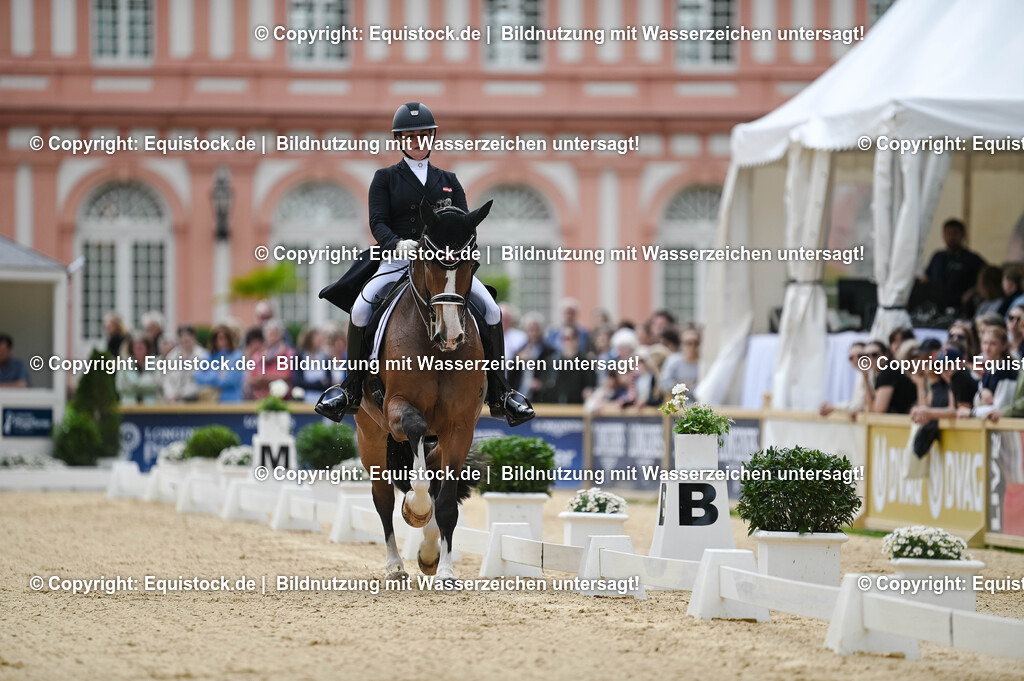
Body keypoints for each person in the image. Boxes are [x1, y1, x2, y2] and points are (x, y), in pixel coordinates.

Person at [315, 102, 533, 426]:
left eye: (423, 136)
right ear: (401, 141)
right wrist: (396, 243)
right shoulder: (385, 178)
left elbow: (463, 222)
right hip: (398, 260)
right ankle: (350, 387)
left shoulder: (448, 179)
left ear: (432, 138)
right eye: (410, 137)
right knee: (361, 309)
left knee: (492, 310)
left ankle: (501, 392)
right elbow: (377, 221)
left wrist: (457, 252)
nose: (417, 143)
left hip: (444, 266)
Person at [923, 218, 986, 312]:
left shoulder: (972, 258)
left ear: (963, 235)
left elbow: (988, 277)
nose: (951, 237)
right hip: (936, 308)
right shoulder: (937, 257)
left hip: (962, 308)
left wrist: (972, 292)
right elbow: (926, 277)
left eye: (955, 233)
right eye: (947, 233)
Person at [910, 346, 977, 424]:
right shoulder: (953, 381)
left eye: (949, 366)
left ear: (960, 364)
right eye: (941, 367)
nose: (945, 372)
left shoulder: (960, 377)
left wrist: (928, 412)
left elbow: (962, 412)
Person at [509, 313, 555, 402]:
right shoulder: (520, 350)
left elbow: (552, 376)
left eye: (535, 330)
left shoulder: (549, 352)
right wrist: (516, 360)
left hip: (539, 399)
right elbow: (510, 377)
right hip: (518, 398)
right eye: (530, 330)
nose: (533, 334)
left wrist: (541, 384)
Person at [194, 324, 244, 403]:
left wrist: (210, 375)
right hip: (211, 402)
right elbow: (198, 376)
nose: (221, 342)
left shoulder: (236, 356)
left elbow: (231, 380)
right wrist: (217, 375)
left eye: (224, 338)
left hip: (231, 401)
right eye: (217, 338)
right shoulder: (208, 356)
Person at [546, 325, 595, 404]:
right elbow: (548, 385)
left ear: (577, 339)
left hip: (577, 408)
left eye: (569, 338)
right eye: (564, 338)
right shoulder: (554, 361)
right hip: (556, 408)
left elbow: (590, 385)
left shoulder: (585, 361)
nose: (566, 342)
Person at [975, 325, 1017, 418]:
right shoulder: (987, 371)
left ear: (1004, 346)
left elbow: (1000, 408)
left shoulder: (1007, 370)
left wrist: (972, 413)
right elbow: (977, 401)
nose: (987, 348)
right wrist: (982, 394)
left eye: (993, 344)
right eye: (985, 343)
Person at [864, 340, 917, 414]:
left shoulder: (889, 372)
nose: (870, 358)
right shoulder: (882, 373)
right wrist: (865, 379)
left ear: (886, 355)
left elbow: (877, 411)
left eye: (874, 354)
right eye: (866, 356)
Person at [820, 341, 868, 417]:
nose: (856, 360)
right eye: (851, 358)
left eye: (860, 355)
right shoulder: (861, 375)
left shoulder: (870, 374)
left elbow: (860, 404)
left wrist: (834, 407)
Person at [162, 326, 209, 402]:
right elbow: (167, 379)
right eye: (182, 336)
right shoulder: (172, 356)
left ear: (194, 338)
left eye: (188, 336)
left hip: (194, 400)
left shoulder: (203, 356)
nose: (185, 339)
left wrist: (185, 396)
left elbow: (203, 381)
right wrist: (170, 395)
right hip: (173, 401)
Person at [116, 334, 163, 405]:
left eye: (142, 344)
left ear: (147, 347)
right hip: (129, 407)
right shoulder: (124, 364)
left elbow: (158, 384)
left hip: (151, 408)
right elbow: (120, 386)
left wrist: (134, 384)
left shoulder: (156, 363)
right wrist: (147, 384)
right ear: (131, 348)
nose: (139, 347)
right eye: (136, 344)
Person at [292, 326, 333, 404]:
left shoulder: (325, 358)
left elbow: (329, 383)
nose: (319, 340)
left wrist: (311, 384)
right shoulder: (300, 357)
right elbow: (299, 382)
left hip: (323, 400)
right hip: (305, 399)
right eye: (316, 338)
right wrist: (319, 383)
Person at [659, 326, 700, 395]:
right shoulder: (673, 361)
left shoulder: (703, 365)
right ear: (682, 344)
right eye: (688, 343)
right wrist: (683, 386)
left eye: (695, 343)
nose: (692, 347)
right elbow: (663, 384)